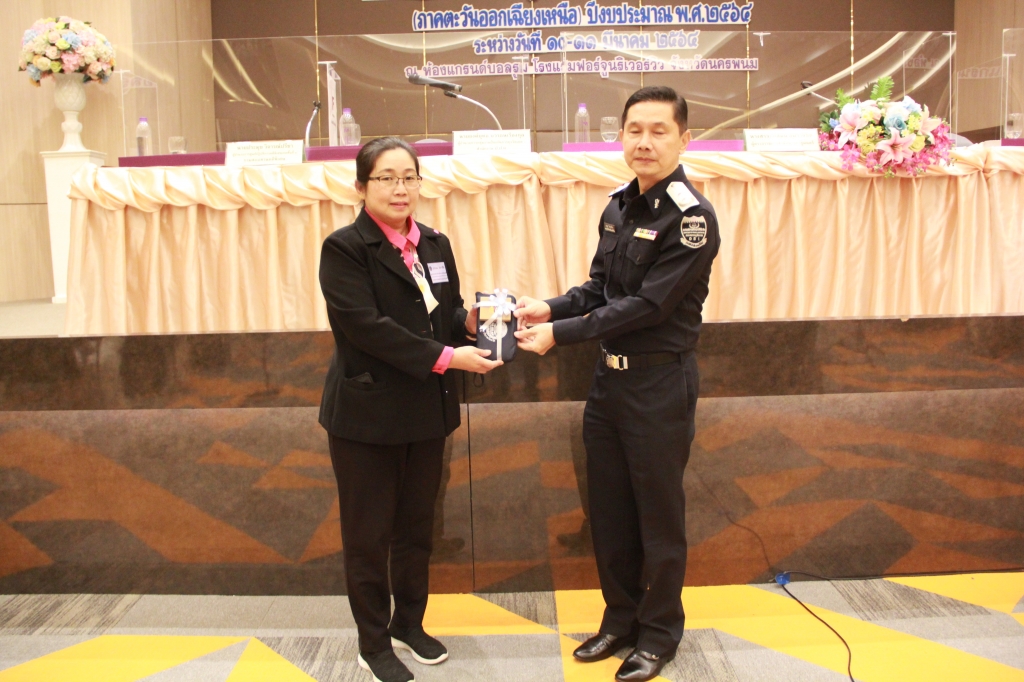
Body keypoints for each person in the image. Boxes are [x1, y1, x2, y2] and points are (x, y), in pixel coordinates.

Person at [515, 86, 721, 682]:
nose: (644, 142)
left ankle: (658, 634)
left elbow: (647, 307)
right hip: (608, 384)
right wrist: (548, 308)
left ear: (684, 139)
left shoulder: (691, 218)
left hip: (659, 385)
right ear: (621, 136)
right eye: (635, 130)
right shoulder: (617, 206)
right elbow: (599, 289)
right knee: (608, 512)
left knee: (658, 516)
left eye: (659, 131)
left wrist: (561, 334)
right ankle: (620, 620)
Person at [318, 137, 501, 682]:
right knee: (368, 536)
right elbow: (367, 328)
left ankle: (408, 623)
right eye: (386, 178)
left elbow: (446, 312)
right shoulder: (345, 248)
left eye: (409, 177)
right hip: (368, 416)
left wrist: (474, 323)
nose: (400, 188)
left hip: (426, 411)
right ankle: (373, 642)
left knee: (417, 528)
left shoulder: (435, 244)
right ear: (361, 186)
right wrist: (448, 356)